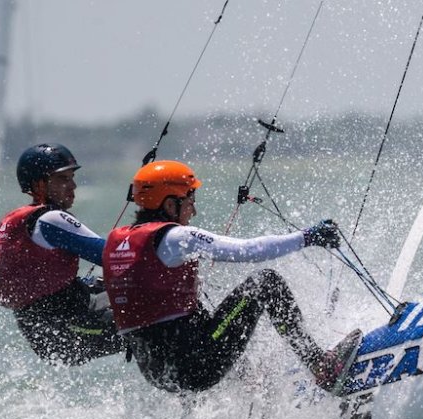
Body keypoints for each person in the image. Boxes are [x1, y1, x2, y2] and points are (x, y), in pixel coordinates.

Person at [102, 160, 361, 395]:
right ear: (170, 205)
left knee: (199, 313)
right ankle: (320, 366)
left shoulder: (115, 243)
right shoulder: (175, 238)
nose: (194, 211)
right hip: (195, 365)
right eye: (190, 201)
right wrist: (308, 237)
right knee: (265, 283)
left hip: (158, 373)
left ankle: (254, 382)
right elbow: (248, 250)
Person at [0, 143, 125, 365]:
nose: (73, 186)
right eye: (63, 179)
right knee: (158, 319)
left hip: (43, 330)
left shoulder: (17, 220)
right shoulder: (50, 219)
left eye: (72, 178)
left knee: (129, 291)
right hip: (66, 328)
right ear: (39, 184)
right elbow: (116, 257)